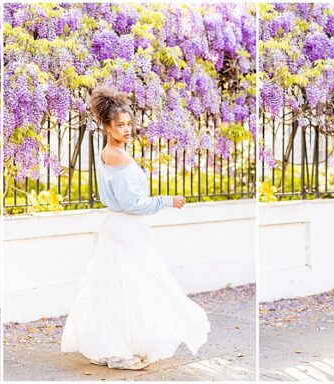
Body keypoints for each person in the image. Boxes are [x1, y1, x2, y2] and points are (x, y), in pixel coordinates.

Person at [60, 86, 210, 370]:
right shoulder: (117, 156)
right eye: (120, 125)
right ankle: (118, 352)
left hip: (121, 229)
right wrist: (167, 201)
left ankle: (120, 347)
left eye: (129, 124)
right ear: (107, 126)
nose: (127, 129)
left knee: (124, 286)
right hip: (125, 230)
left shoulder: (111, 152)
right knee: (129, 285)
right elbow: (132, 203)